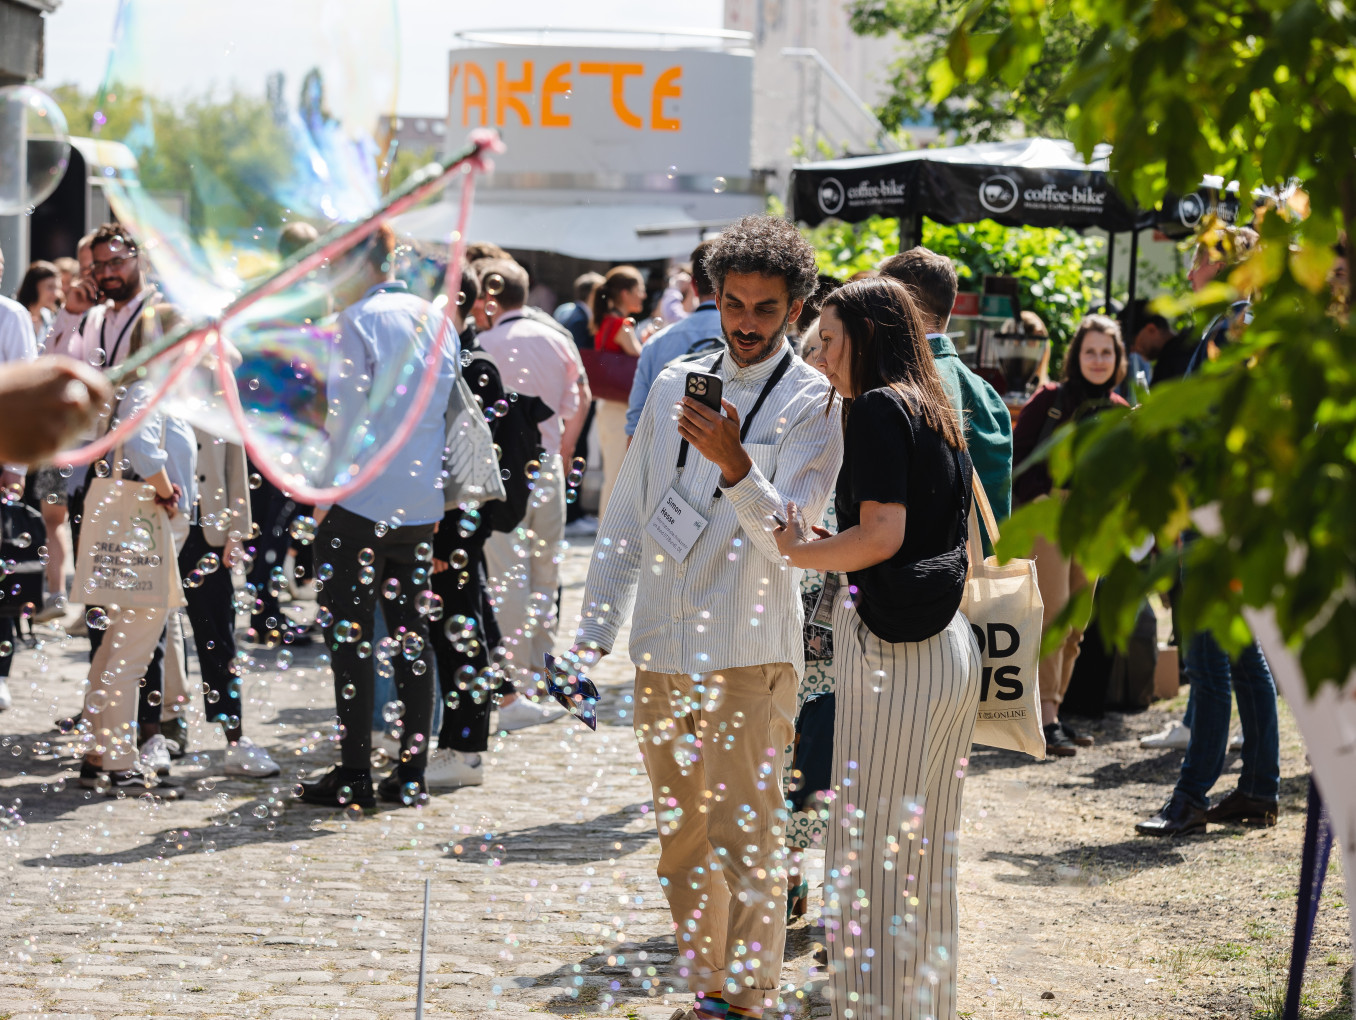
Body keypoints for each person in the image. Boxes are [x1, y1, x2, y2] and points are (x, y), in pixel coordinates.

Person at [573, 215, 840, 1020]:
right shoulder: (670, 384)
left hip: (748, 648)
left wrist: (736, 465)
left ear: (797, 308)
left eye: (766, 308)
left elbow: (793, 538)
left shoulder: (817, 402)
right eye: (734, 304)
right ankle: (711, 988)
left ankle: (749, 998)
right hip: (662, 644)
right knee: (683, 842)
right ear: (713, 298)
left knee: (747, 837)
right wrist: (590, 638)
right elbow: (627, 516)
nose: (747, 323)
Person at [773, 277, 982, 1020]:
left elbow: (884, 537)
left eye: (830, 340)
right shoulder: (932, 404)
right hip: (949, 648)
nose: (821, 357)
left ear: (867, 335)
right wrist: (836, 543)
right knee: (928, 854)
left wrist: (799, 552)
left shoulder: (876, 408)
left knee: (872, 856)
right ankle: (924, 1006)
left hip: (899, 653)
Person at [299, 224, 459, 809]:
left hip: (359, 501)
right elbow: (448, 411)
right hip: (418, 502)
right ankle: (411, 774)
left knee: (352, 643)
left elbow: (344, 419)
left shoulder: (355, 321)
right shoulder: (436, 318)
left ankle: (355, 773)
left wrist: (320, 495)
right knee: (413, 639)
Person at [1136, 227, 1280, 837]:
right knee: (1243, 656)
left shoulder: (1231, 326)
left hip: (1213, 513)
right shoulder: (1256, 324)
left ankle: (1191, 797)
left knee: (1208, 659)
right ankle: (1259, 789)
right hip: (1244, 511)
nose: (1190, 276)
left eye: (1197, 264)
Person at [472, 258, 590, 728]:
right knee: (545, 570)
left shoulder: (483, 345)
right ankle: (543, 665)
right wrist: (565, 449)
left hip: (500, 474)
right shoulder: (558, 338)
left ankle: (516, 674)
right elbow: (577, 399)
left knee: (506, 574)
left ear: (491, 299)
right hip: (548, 466)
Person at [1012, 314, 1130, 756]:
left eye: (1106, 352)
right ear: (1076, 355)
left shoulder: (1119, 410)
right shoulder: (1051, 400)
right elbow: (1017, 456)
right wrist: (1041, 496)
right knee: (1055, 614)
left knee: (1078, 622)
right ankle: (1045, 718)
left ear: (1117, 358)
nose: (1098, 360)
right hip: (1051, 515)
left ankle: (1054, 710)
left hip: (1094, 519)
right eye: (1090, 351)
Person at [77, 379, 197, 795]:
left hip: (139, 527)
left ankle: (98, 754)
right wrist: (167, 490)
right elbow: (142, 447)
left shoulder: (145, 388)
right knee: (131, 654)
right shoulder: (151, 388)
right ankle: (121, 764)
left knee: (114, 647)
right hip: (151, 527)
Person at [879, 247, 1014, 529]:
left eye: (880, 300)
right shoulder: (989, 394)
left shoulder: (900, 385)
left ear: (902, 304)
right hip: (984, 555)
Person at [178, 425, 281, 776]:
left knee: (219, 638)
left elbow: (236, 465)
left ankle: (235, 740)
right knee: (155, 639)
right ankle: (155, 733)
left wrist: (236, 532)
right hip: (155, 526)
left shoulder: (217, 392)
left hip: (208, 531)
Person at [624, 240, 723, 440]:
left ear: (693, 285)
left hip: (664, 453)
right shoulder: (751, 341)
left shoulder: (656, 343)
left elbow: (636, 420)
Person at [0, 243, 40, 713]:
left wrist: (17, 467)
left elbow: (26, 396)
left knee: (2, 570)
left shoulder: (10, 316)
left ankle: (0, 672)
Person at [591, 265, 647, 518]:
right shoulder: (622, 325)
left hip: (607, 405)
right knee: (616, 475)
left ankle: (606, 529)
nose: (643, 295)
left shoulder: (605, 321)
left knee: (612, 473)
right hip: (620, 409)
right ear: (625, 293)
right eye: (639, 289)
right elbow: (643, 360)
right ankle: (608, 531)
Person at [15, 260, 62, 347]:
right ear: (33, 286)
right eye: (50, 287)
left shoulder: (50, 318)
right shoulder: (15, 316)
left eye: (57, 288)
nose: (56, 294)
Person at [553, 271, 604, 350]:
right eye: (601, 293)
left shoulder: (566, 310)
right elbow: (580, 352)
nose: (604, 298)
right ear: (592, 295)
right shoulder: (580, 321)